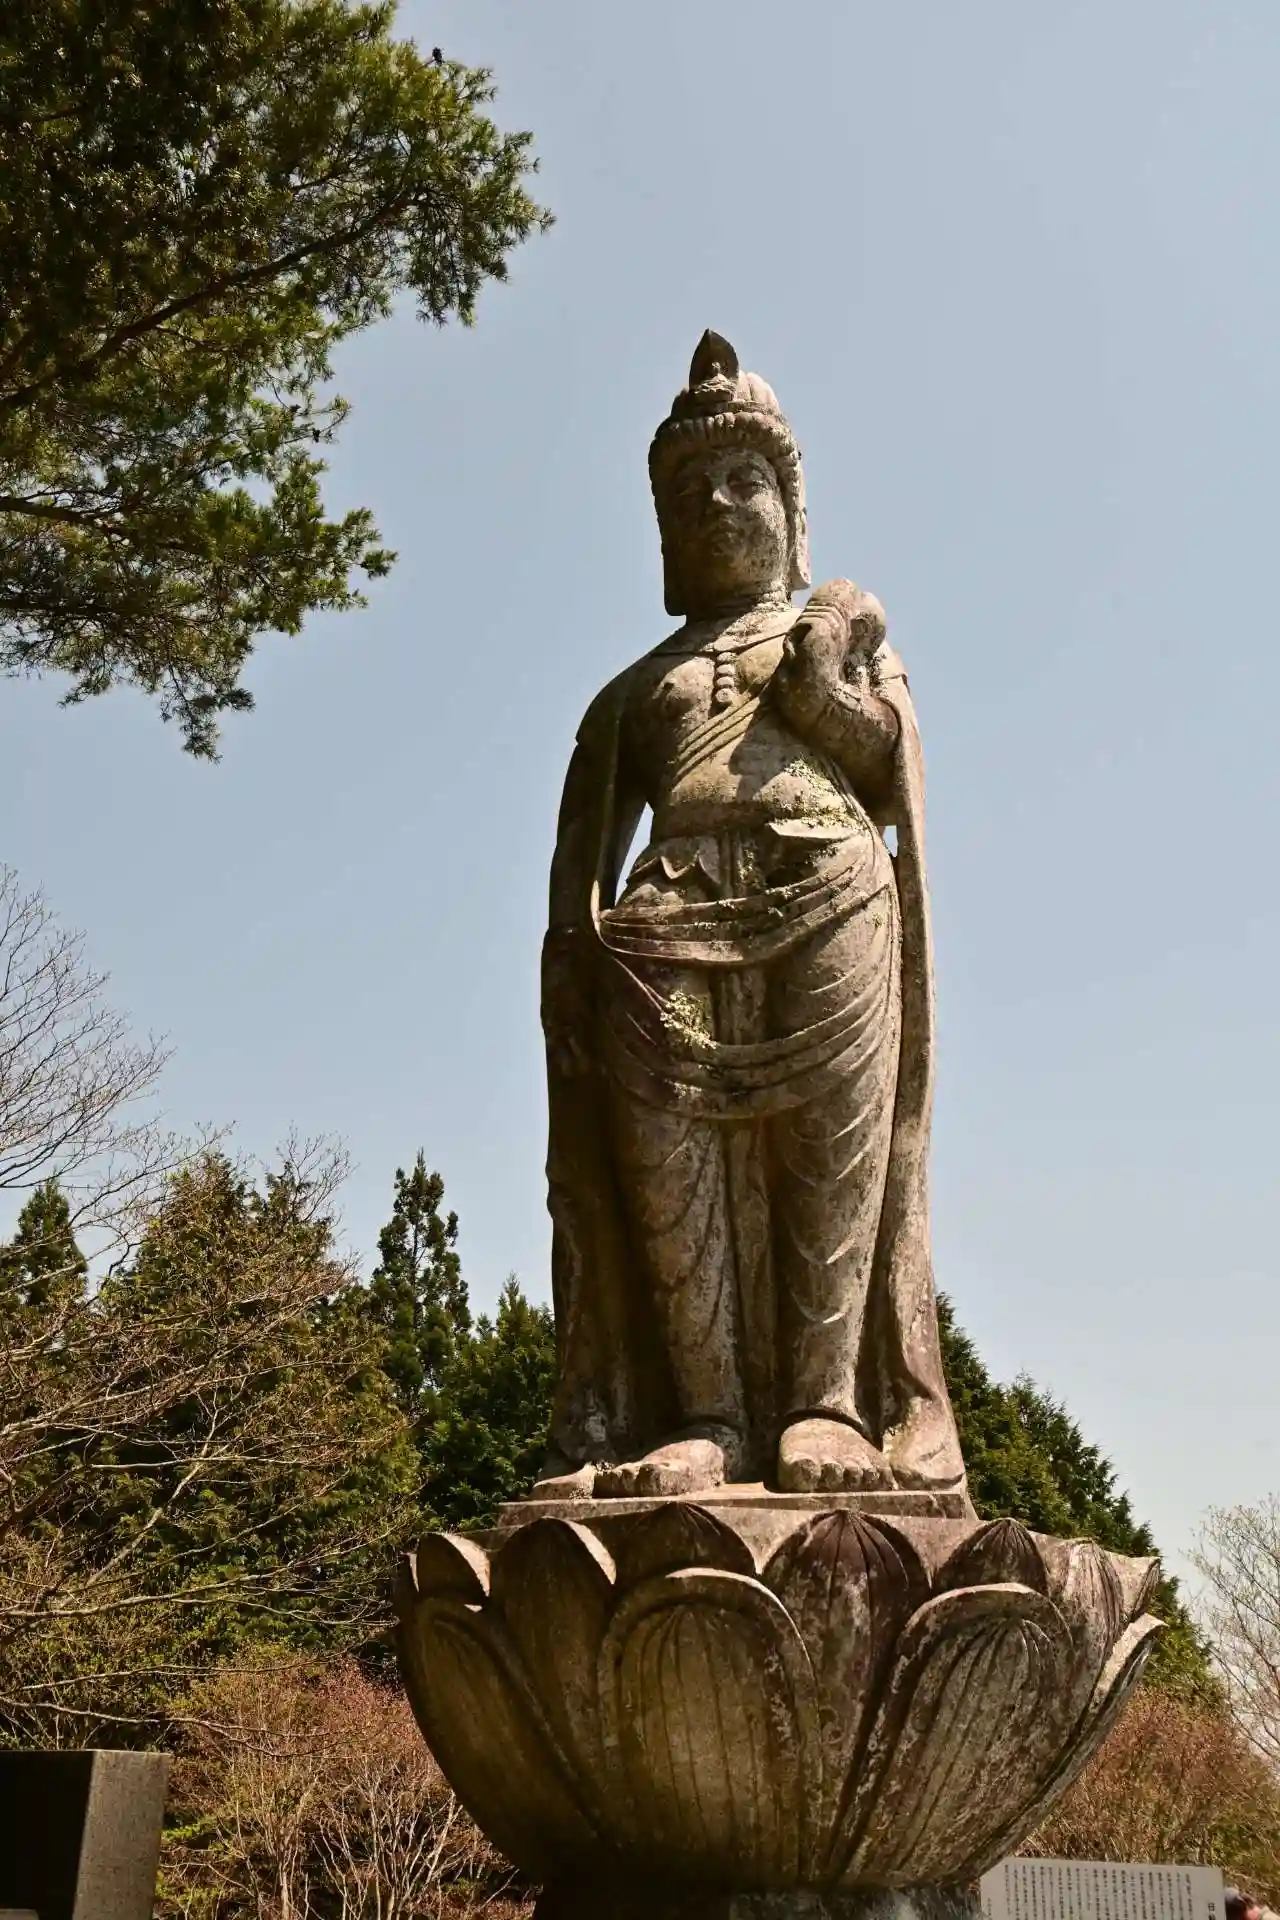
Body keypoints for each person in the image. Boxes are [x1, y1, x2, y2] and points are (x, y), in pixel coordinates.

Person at [536, 332, 968, 1503]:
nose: (718, 504)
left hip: (828, 892)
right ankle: (706, 1417)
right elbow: (580, 863)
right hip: (661, 930)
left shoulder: (837, 634)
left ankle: (826, 1407)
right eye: (690, 492)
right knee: (669, 1175)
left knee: (830, 1159)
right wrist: (568, 975)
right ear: (663, 536)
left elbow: (888, 772)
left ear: (789, 507)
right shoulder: (633, 693)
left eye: (743, 481)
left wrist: (820, 680)